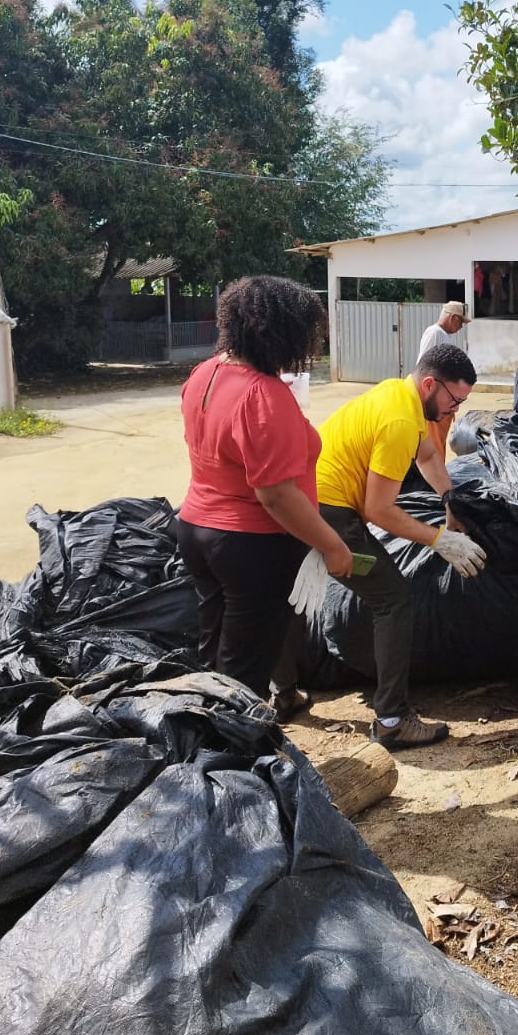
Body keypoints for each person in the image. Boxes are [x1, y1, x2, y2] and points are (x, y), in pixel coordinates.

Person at [177, 275, 354, 714]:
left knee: (215, 653)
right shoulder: (263, 394)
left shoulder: (205, 373)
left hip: (197, 528)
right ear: (281, 332)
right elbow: (275, 495)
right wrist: (331, 544)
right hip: (249, 545)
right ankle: (232, 763)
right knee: (243, 672)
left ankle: (207, 742)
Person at [299, 341, 488, 751]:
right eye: (455, 400)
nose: (456, 410)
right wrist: (443, 540)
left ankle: (281, 689)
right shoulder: (400, 420)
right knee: (394, 599)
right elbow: (381, 510)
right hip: (332, 517)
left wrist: (449, 501)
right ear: (430, 385)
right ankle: (391, 720)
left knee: (290, 598)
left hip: (310, 501)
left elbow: (428, 459)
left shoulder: (399, 395)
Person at [416, 302, 468, 459]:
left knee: (438, 445)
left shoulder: (442, 335)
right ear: (453, 318)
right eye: (460, 322)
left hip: (443, 400)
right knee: (434, 446)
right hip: (435, 401)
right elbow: (424, 368)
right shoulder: (435, 333)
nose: (461, 327)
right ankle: (433, 481)